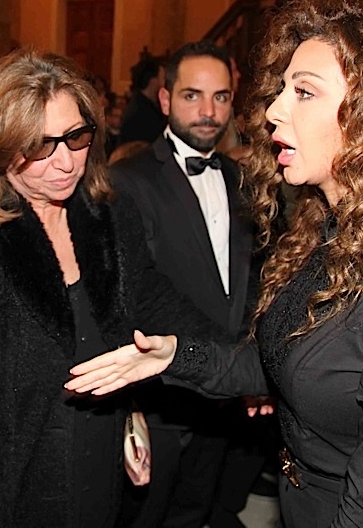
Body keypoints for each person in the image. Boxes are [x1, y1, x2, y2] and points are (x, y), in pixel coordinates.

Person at [67, 0, 363, 527]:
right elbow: (283, 364)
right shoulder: (333, 234)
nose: (273, 110)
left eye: (304, 92)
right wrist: (174, 357)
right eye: (283, 88)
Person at [0, 48, 214, 527]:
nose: (65, 162)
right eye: (40, 146)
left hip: (102, 469)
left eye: (76, 137)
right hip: (18, 487)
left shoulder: (108, 214)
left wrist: (234, 365)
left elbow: (155, 302)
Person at [110, 40, 262, 528]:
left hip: (224, 397)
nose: (208, 111)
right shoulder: (128, 179)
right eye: (193, 96)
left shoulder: (242, 179)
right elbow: (135, 291)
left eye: (221, 97)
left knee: (196, 515)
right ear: (165, 99)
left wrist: (247, 365)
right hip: (161, 394)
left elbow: (251, 278)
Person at [119, 53, 166, 146]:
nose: (165, 84)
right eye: (163, 78)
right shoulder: (140, 113)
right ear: (153, 81)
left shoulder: (146, 106)